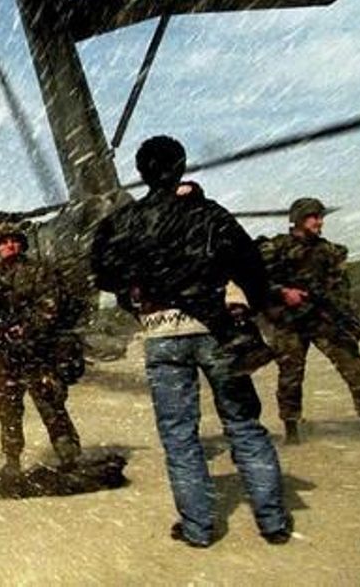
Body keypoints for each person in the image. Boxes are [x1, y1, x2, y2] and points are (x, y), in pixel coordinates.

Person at [91, 135, 291, 547]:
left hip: (162, 336)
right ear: (181, 168)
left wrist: (137, 297)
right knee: (244, 426)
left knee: (179, 436)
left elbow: (103, 274)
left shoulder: (122, 222)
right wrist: (244, 307)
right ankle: (272, 521)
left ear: (142, 173)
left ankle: (199, 528)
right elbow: (252, 265)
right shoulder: (209, 213)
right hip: (218, 332)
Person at [259, 198, 360, 447]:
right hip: (289, 322)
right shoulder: (275, 247)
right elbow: (255, 279)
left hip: (323, 319)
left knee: (356, 368)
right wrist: (283, 292)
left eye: (321, 217)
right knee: (291, 376)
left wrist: (357, 321)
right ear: (299, 219)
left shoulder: (331, 251)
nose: (320, 222)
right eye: (314, 217)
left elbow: (340, 291)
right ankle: (291, 430)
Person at [0, 222, 83, 495]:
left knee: (50, 403)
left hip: (38, 351)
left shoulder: (39, 272)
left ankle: (69, 457)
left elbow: (51, 307)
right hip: (7, 354)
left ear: (22, 244)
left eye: (13, 241)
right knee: (7, 408)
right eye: (3, 242)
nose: (9, 246)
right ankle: (12, 461)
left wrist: (27, 327)